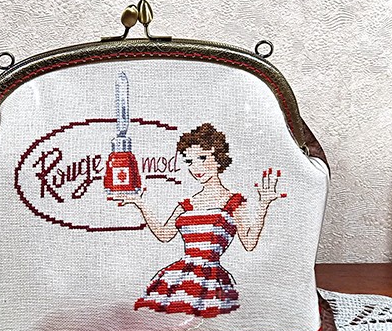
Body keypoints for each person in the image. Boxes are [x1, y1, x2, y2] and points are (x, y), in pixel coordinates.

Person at [115, 123, 285, 317]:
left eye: (202, 158)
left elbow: (249, 242)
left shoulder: (233, 202)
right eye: (189, 161)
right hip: (178, 276)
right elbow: (164, 234)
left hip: (211, 280)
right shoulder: (187, 204)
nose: (195, 167)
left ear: (218, 157)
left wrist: (263, 204)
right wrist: (140, 204)